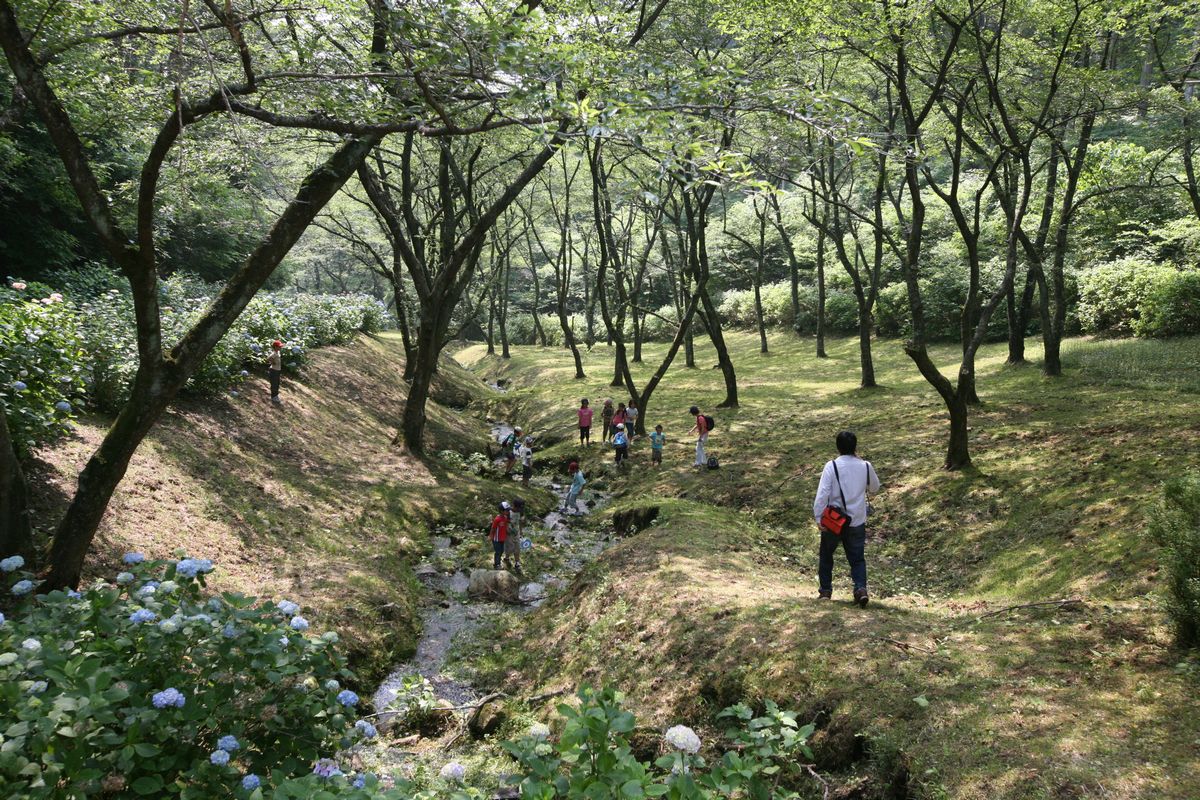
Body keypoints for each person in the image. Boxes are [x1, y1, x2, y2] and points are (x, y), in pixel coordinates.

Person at [812, 430, 881, 607]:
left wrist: (819, 517)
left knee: (827, 555)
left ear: (838, 447)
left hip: (834, 521)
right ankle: (860, 589)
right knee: (857, 558)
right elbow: (874, 488)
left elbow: (823, 494)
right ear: (855, 446)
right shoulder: (865, 465)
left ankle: (826, 591)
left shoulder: (832, 466)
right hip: (856, 519)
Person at [488, 501, 511, 570]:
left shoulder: (505, 517)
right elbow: (493, 528)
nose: (508, 512)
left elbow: (506, 525)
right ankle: (496, 564)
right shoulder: (497, 519)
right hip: (496, 539)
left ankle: (498, 562)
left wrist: (508, 531)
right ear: (501, 511)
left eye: (508, 510)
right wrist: (490, 536)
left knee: (501, 550)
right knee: (498, 552)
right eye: (507, 510)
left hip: (502, 538)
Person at [506, 497, 525, 571]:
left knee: (517, 548)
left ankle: (517, 562)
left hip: (516, 532)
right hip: (508, 533)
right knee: (509, 547)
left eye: (520, 509)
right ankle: (507, 557)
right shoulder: (508, 512)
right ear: (513, 506)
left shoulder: (520, 512)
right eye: (518, 509)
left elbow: (520, 522)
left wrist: (521, 531)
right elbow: (505, 522)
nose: (518, 511)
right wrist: (507, 530)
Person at [266, 340, 284, 405]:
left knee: (277, 383)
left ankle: (275, 396)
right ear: (275, 347)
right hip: (274, 371)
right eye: (279, 346)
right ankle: (274, 397)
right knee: (274, 384)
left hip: (277, 370)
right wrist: (273, 362)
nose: (280, 347)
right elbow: (268, 358)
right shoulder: (274, 353)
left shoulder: (278, 352)